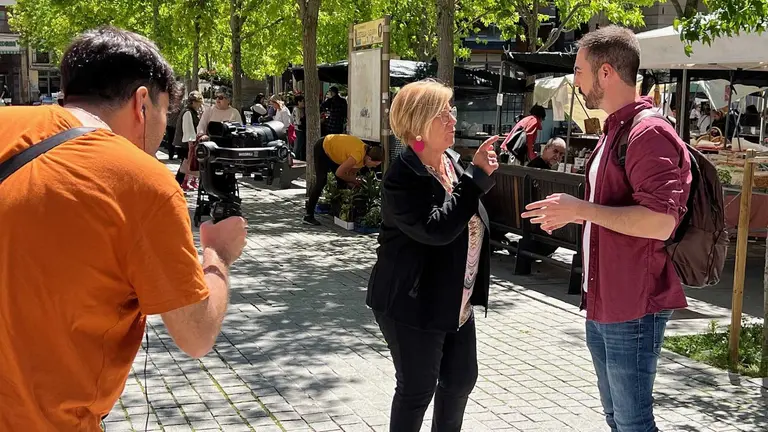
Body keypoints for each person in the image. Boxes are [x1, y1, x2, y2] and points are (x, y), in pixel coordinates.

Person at [0, 27, 247, 431]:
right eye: (166, 112)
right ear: (142, 102)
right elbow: (196, 334)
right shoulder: (141, 180)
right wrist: (218, 253)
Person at [522, 26, 691, 432]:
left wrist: (582, 209)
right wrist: (577, 213)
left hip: (632, 302)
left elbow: (661, 223)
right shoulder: (616, 128)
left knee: (633, 423)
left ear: (606, 73)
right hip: (605, 299)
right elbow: (613, 211)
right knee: (619, 419)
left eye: (579, 71)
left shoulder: (648, 132)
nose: (575, 81)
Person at [366, 79, 499, 432]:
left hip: (456, 299)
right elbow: (435, 229)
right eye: (444, 113)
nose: (453, 118)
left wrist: (475, 176)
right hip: (413, 302)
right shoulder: (403, 176)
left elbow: (468, 216)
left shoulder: (452, 163)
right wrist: (475, 182)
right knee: (417, 390)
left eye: (452, 110)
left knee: (460, 380)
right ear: (419, 122)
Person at [303, 134, 383, 225]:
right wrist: (354, 181)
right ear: (369, 158)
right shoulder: (358, 155)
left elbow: (350, 174)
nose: (375, 167)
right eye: (375, 164)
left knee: (341, 182)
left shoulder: (364, 157)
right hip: (323, 147)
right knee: (321, 181)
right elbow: (339, 173)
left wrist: (355, 184)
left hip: (334, 153)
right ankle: (308, 216)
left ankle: (340, 212)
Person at [174, 90, 204, 190]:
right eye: (199, 103)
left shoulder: (190, 112)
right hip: (186, 144)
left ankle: (176, 186)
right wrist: (192, 144)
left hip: (185, 144)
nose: (200, 105)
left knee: (184, 168)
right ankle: (175, 187)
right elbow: (188, 130)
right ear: (194, 102)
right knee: (184, 167)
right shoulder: (188, 113)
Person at [293, 95, 307, 160]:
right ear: (298, 102)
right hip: (298, 129)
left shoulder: (300, 109)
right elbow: (298, 122)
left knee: (300, 145)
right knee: (298, 145)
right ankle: (295, 158)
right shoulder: (297, 110)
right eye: (302, 101)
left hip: (299, 129)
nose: (303, 103)